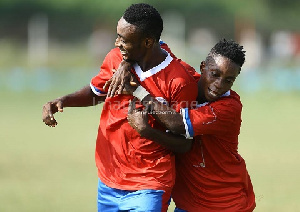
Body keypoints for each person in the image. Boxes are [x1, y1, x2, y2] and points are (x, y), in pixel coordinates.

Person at [42, 3, 198, 212]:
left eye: (124, 39)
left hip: (150, 183)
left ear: (148, 41)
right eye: (118, 36)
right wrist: (63, 100)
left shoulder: (179, 79)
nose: (117, 43)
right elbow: (96, 92)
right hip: (109, 179)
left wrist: (147, 129)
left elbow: (184, 143)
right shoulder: (116, 58)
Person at [115, 39, 256, 211]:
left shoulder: (229, 107)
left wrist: (138, 91)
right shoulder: (184, 76)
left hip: (226, 203)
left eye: (228, 80)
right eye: (215, 74)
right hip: (189, 204)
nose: (219, 84)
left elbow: (178, 124)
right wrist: (126, 62)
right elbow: (151, 45)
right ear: (203, 66)